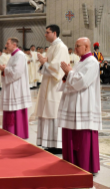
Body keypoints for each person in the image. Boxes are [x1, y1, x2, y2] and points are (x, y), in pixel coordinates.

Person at [58, 37, 101, 173]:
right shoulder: (80, 61)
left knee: (82, 136)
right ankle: (72, 163)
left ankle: (84, 165)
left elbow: (82, 82)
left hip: (84, 104)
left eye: (78, 46)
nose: (75, 48)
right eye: (75, 45)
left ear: (86, 47)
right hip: (74, 103)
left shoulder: (92, 62)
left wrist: (69, 72)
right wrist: (67, 74)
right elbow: (73, 78)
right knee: (72, 133)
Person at [36, 24, 70, 153]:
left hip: (55, 87)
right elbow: (49, 65)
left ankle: (57, 144)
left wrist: (44, 62)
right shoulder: (52, 47)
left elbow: (57, 68)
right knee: (48, 112)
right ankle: (49, 143)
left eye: (47, 32)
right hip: (48, 84)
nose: (45, 34)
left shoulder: (61, 47)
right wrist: (44, 62)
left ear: (54, 33)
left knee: (54, 112)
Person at [0, 38, 32, 139]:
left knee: (15, 109)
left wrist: (4, 69)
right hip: (12, 86)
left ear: (14, 44)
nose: (6, 45)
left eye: (8, 44)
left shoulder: (19, 55)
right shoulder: (13, 56)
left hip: (17, 88)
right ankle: (10, 132)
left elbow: (17, 72)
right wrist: (4, 69)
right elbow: (12, 70)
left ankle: (17, 132)